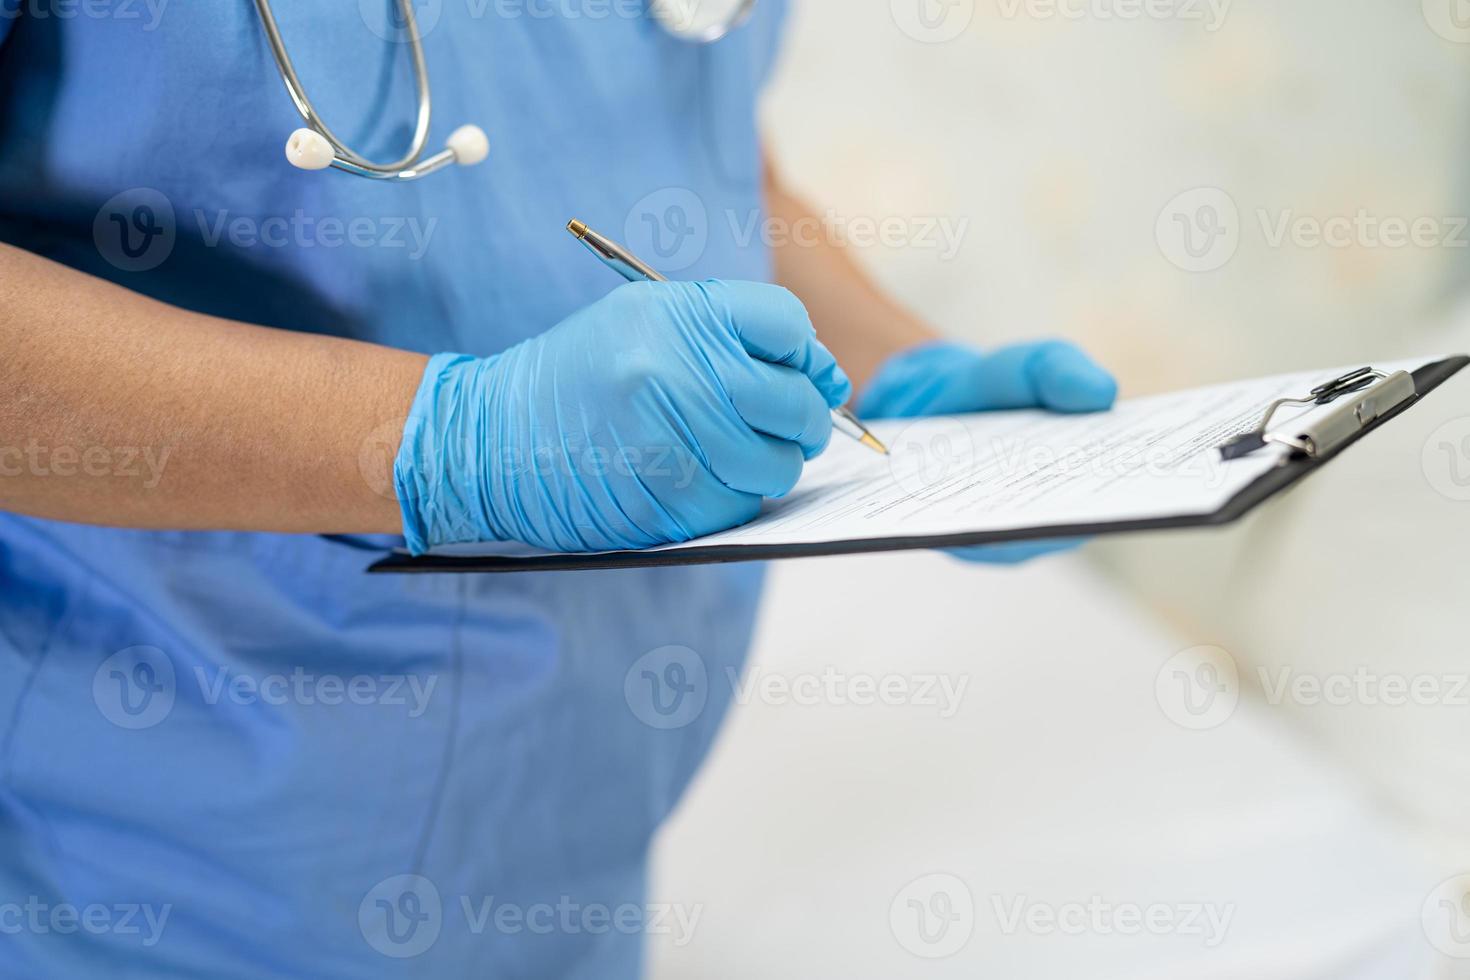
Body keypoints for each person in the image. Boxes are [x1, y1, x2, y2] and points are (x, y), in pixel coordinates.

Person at [0, 2, 1116, 975]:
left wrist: (895, 379)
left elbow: (685, 140)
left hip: (564, 864)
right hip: (127, 887)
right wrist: (446, 440)